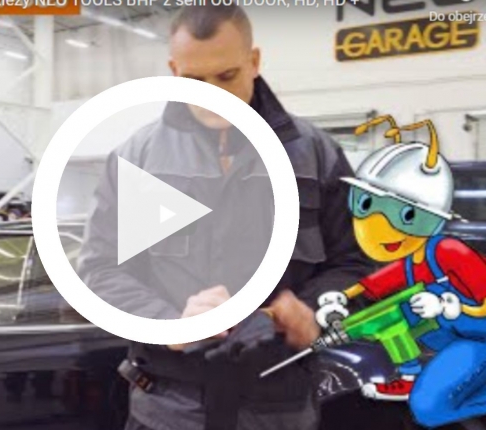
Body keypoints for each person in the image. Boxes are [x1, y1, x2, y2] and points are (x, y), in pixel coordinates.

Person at [76, 5, 372, 430]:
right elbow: (100, 269)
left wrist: (311, 309)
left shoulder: (315, 155)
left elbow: (357, 264)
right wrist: (168, 323)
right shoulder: (136, 159)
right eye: (194, 81)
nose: (212, 96)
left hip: (277, 408)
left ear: (254, 61)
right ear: (174, 71)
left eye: (227, 76)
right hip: (170, 412)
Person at [316, 116, 486, 428]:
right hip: (454, 328)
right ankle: (408, 377)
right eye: (366, 205)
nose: (376, 226)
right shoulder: (410, 258)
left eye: (402, 215)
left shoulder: (450, 252)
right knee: (390, 314)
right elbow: (372, 285)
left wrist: (447, 307)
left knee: (429, 408)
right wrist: (338, 299)